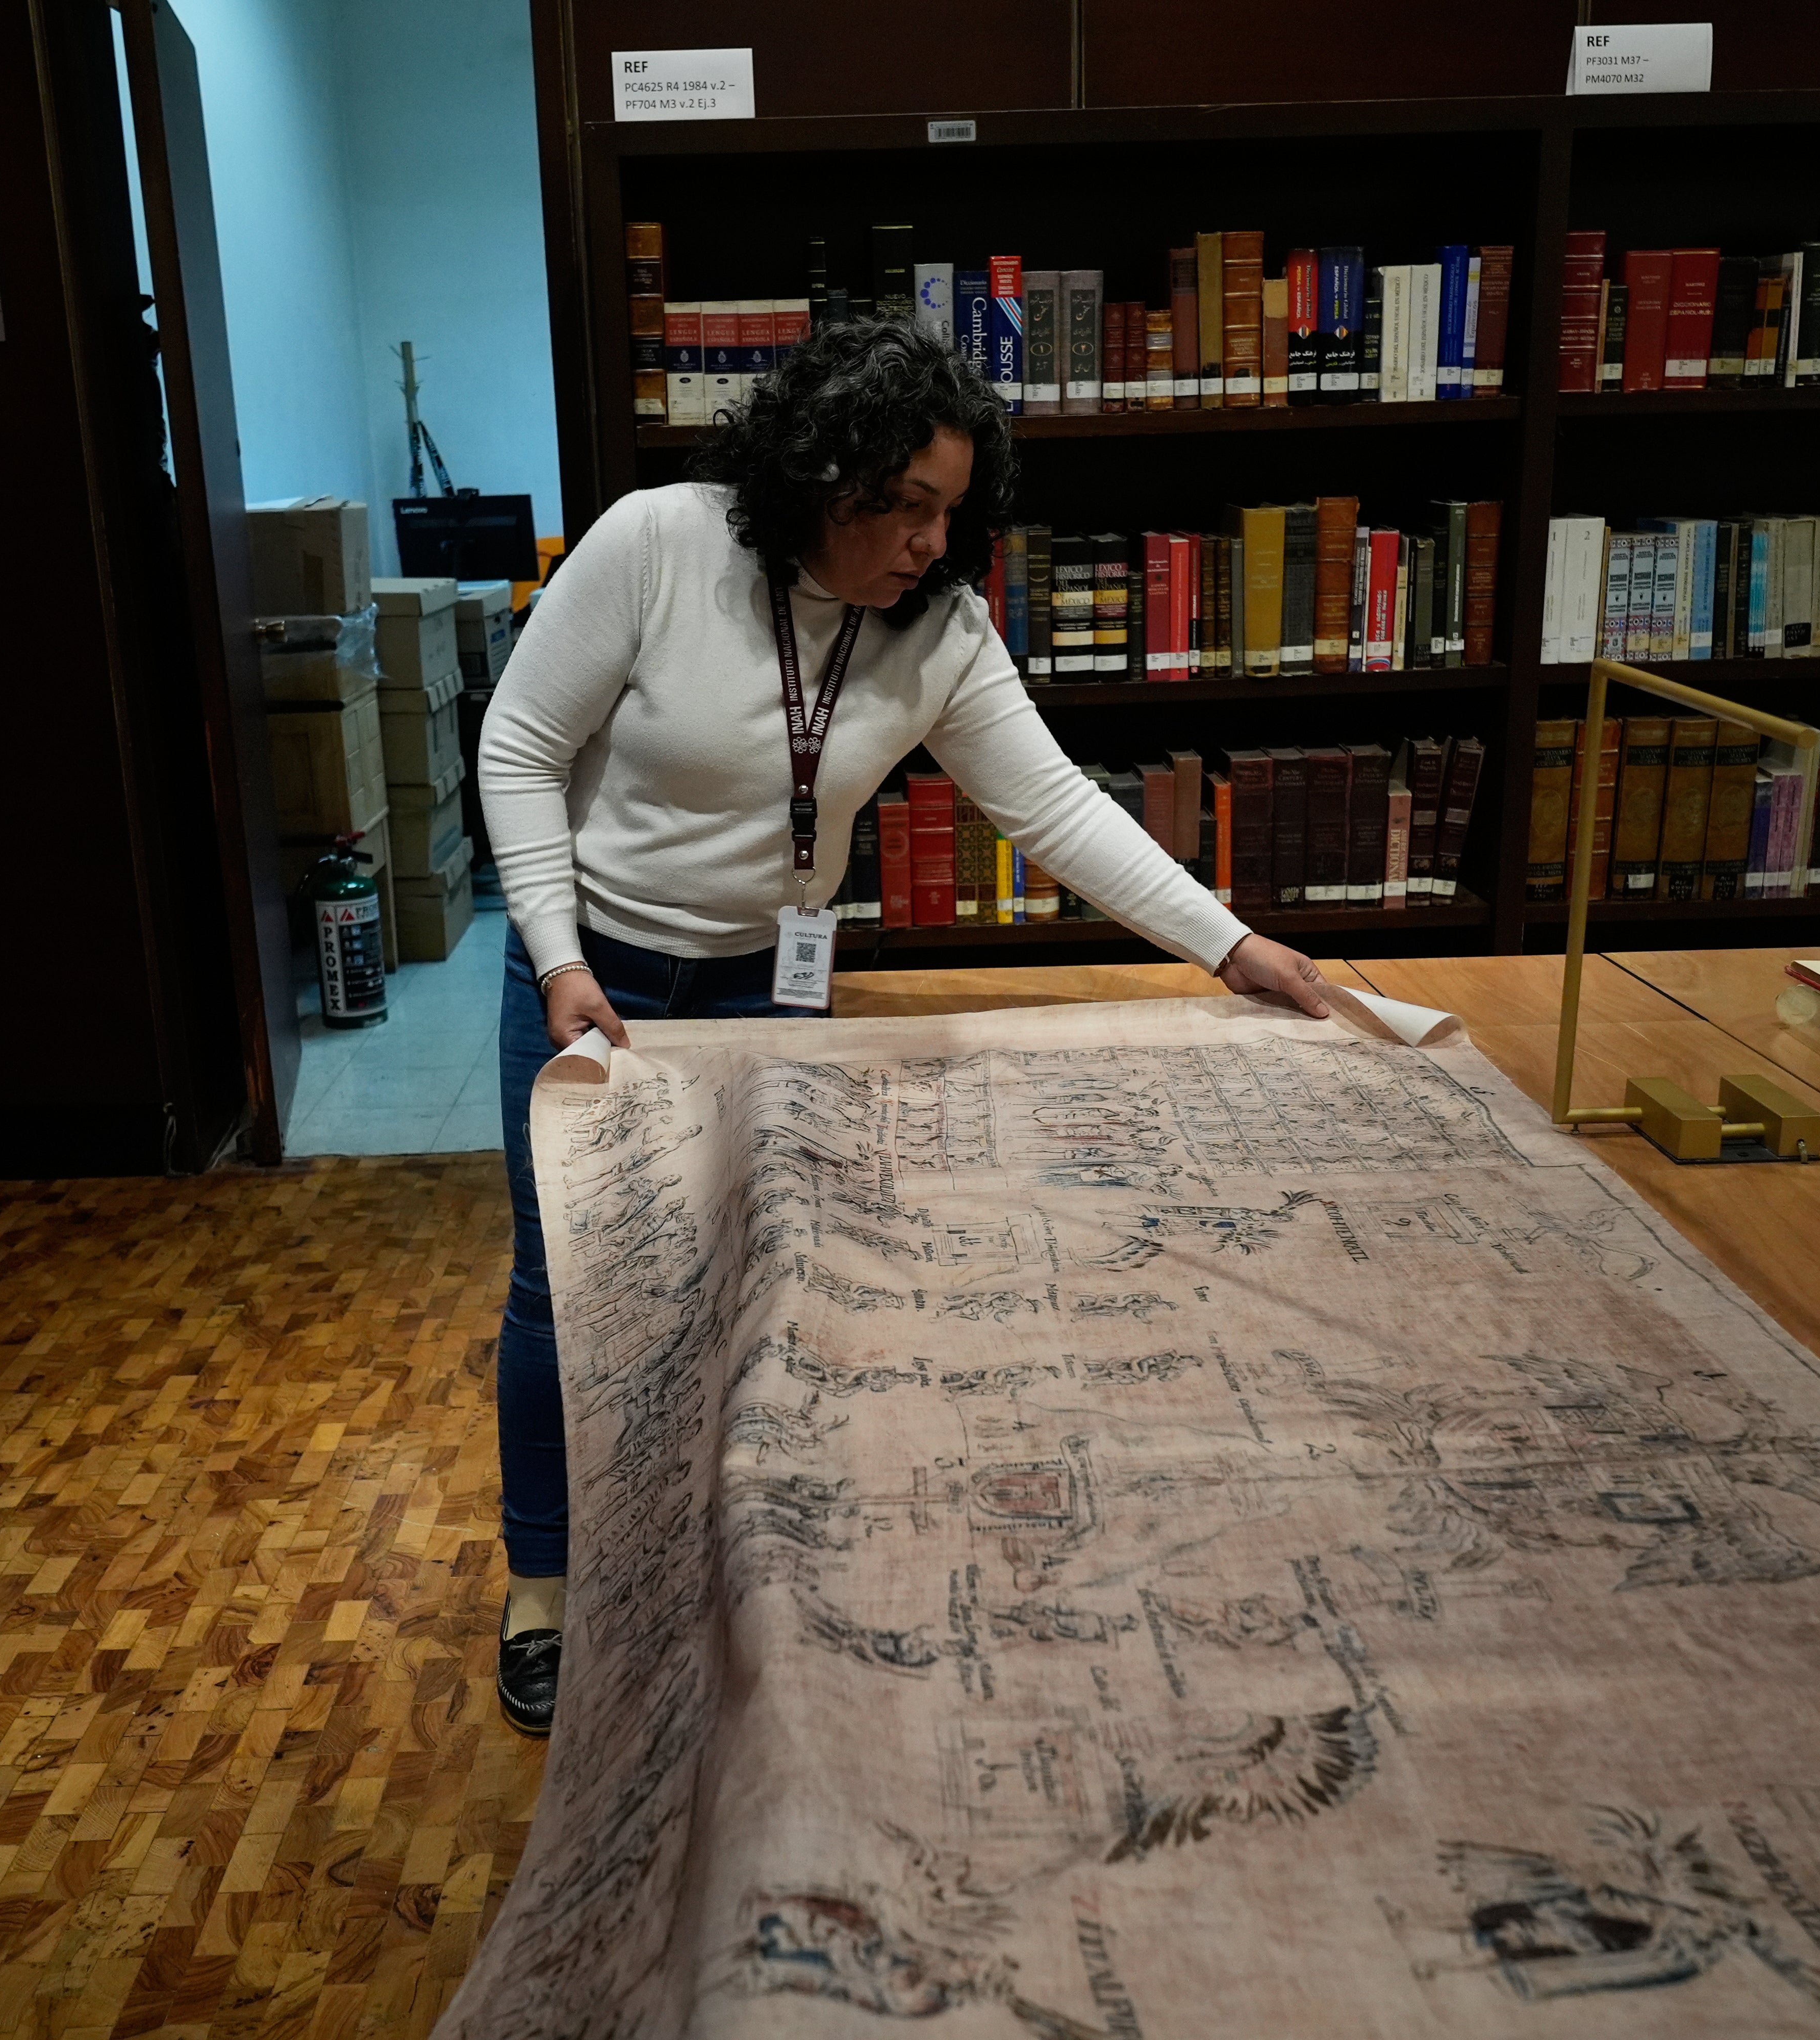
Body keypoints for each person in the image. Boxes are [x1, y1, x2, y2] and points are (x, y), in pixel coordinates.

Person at [473, 316, 1333, 1735]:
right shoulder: (656, 545)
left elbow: (1050, 806)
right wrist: (557, 954)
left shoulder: (938, 625)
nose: (935, 540)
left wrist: (1230, 945)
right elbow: (518, 746)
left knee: (743, 1285)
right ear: (822, 476)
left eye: (954, 509)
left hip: (768, 988)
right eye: (908, 505)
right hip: (596, 981)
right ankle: (547, 1590)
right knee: (560, 1294)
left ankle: (700, 1569)